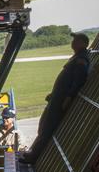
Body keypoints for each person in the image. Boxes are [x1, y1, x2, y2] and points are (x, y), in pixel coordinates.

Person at [23, 32, 91, 163]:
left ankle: (34, 156)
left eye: (76, 40)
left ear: (83, 43)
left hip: (61, 100)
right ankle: (33, 152)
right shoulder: (77, 57)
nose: (73, 42)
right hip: (57, 97)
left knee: (47, 127)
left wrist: (68, 97)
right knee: (44, 124)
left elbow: (78, 81)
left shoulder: (81, 59)